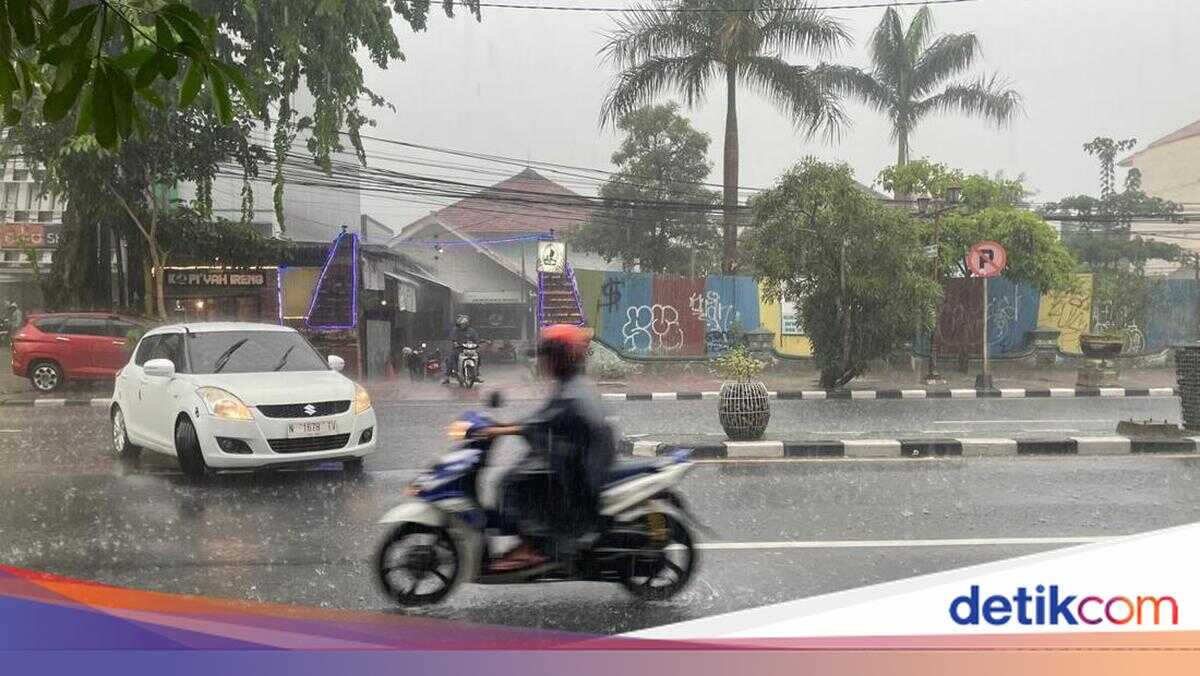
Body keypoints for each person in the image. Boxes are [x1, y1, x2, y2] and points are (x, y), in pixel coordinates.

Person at [482, 323, 615, 572]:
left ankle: (533, 546)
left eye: (548, 356)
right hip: (578, 455)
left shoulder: (572, 391)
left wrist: (504, 429)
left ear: (560, 357)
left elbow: (545, 419)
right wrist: (508, 426)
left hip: (582, 465)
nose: (544, 363)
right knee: (526, 470)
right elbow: (546, 416)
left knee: (513, 481)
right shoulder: (572, 382)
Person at [442, 313, 483, 384]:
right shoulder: (455, 330)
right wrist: (455, 343)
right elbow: (453, 338)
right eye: (461, 324)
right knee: (450, 359)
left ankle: (476, 373)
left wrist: (478, 343)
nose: (462, 325)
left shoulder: (471, 331)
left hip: (470, 350)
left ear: (467, 324)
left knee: (478, 355)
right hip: (459, 350)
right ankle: (447, 377)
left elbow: (476, 339)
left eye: (464, 324)